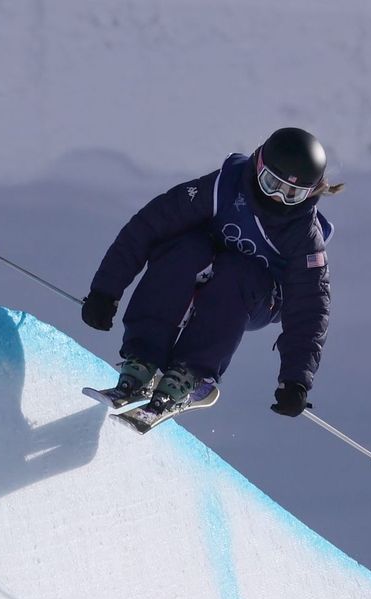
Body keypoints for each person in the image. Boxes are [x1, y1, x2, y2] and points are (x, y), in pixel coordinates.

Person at [80, 127, 340, 417]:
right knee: (185, 247)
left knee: (238, 271)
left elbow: (310, 308)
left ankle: (191, 375)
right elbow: (151, 224)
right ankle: (142, 359)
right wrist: (106, 290)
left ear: (310, 193)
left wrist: (295, 380)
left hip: (257, 296)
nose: (278, 198)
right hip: (205, 265)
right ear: (258, 167)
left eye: (293, 193)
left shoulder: (305, 237)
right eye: (271, 184)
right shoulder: (224, 187)